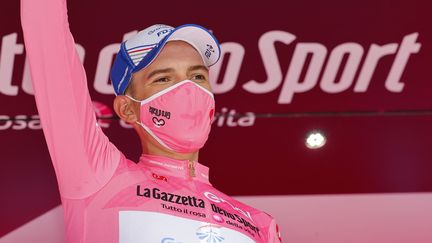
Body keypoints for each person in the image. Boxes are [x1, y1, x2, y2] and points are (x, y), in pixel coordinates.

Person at [21, 0, 282, 242]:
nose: (188, 90)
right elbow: (47, 33)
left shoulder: (259, 224)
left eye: (198, 77)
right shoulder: (99, 179)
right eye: (163, 79)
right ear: (128, 109)